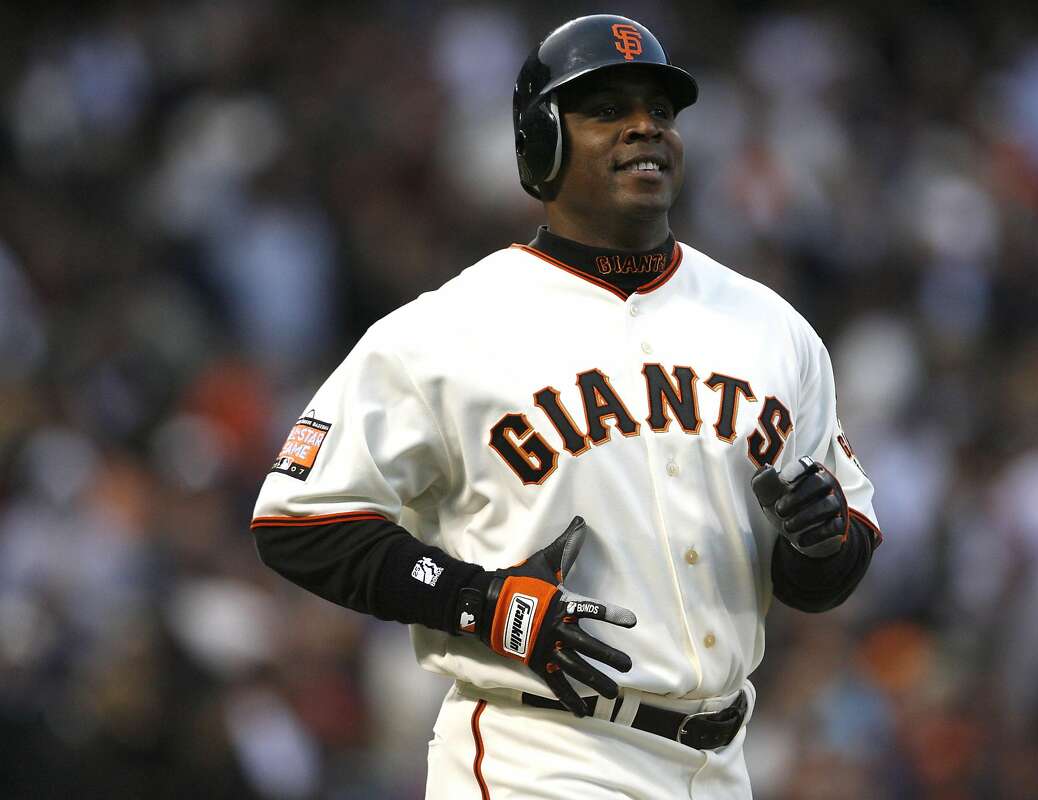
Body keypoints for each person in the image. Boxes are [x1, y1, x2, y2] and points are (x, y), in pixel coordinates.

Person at [250, 13, 882, 799]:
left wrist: (818, 546)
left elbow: (824, 576)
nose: (645, 127)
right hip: (538, 753)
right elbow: (298, 521)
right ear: (541, 141)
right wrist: (477, 601)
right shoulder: (444, 329)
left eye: (659, 110)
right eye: (608, 109)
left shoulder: (772, 329)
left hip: (719, 764)